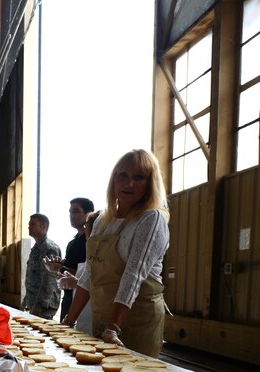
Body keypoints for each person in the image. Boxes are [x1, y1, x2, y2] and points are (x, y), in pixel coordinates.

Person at [62, 149, 170, 358]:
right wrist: (68, 321)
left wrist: (113, 327)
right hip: (103, 317)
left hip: (135, 320)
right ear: (114, 180)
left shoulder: (150, 220)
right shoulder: (103, 220)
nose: (129, 184)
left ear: (150, 184)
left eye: (139, 177)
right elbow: (89, 275)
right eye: (123, 175)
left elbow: (133, 276)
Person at [58, 198, 95, 319]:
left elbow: (90, 273)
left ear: (88, 214)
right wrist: (57, 269)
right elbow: (68, 273)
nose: (71, 215)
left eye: (75, 211)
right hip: (68, 298)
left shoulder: (93, 242)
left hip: (84, 300)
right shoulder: (72, 243)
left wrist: (61, 268)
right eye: (70, 212)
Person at [21, 214, 61, 319]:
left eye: (33, 224)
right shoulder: (37, 247)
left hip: (44, 307)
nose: (29, 226)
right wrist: (26, 300)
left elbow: (49, 279)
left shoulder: (49, 248)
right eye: (29, 224)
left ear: (43, 226)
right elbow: (34, 277)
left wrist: (39, 305)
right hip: (34, 303)